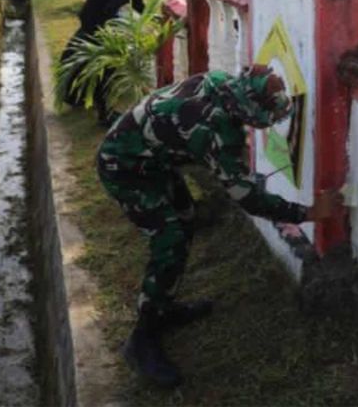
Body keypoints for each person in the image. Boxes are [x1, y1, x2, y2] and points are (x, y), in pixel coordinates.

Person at [96, 64, 343, 386]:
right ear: (249, 110)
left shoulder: (222, 84)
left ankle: (163, 307)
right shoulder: (215, 128)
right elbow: (248, 199)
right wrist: (309, 213)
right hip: (125, 168)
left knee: (184, 224)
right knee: (169, 240)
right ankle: (142, 340)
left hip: (153, 161)